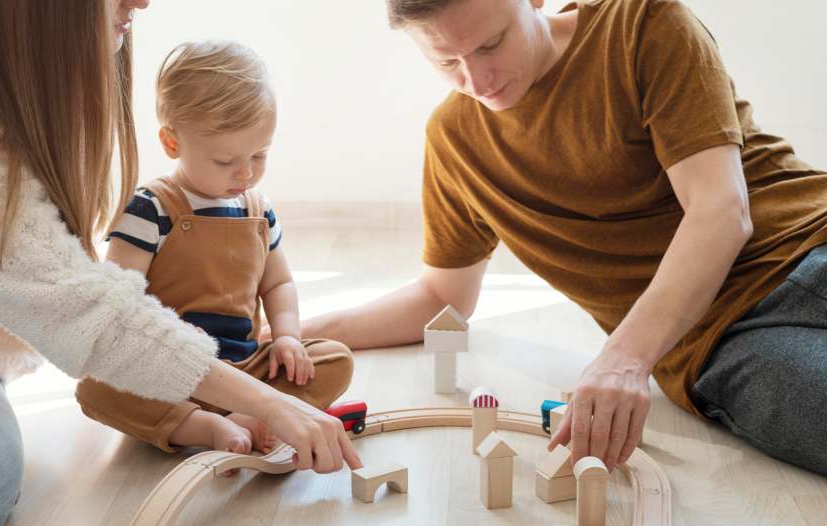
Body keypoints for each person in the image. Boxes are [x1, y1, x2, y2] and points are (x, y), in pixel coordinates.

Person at [0, 0, 359, 526]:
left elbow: (74, 292)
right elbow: (85, 309)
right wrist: (268, 403)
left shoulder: (34, 93)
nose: (141, 2)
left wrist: (269, 374)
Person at [297, 0, 827, 475]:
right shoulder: (454, 140)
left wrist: (623, 358)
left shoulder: (642, 24)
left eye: (491, 44)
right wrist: (296, 333)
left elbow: (720, 210)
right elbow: (441, 297)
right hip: (724, 340)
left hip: (813, 240)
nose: (478, 80)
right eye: (446, 63)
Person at [76, 40, 355, 471]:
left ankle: (249, 412)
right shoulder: (150, 209)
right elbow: (120, 305)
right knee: (95, 387)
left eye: (259, 154)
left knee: (334, 358)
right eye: (226, 159)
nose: (246, 172)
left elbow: (278, 283)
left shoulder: (258, 209)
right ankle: (204, 427)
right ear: (172, 142)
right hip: (166, 374)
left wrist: (286, 337)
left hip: (245, 368)